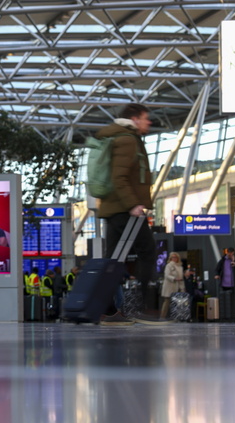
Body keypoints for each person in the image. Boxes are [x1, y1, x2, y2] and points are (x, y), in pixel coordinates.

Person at [95, 103, 155, 324]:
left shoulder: (118, 137)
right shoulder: (127, 139)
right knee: (148, 252)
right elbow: (118, 177)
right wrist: (133, 204)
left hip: (114, 208)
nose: (149, 122)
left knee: (112, 261)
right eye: (146, 118)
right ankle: (140, 307)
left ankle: (109, 311)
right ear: (135, 118)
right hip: (125, 209)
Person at [159, 253, 185, 319]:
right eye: (173, 257)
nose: (174, 258)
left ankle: (176, 317)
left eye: (175, 257)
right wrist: (175, 278)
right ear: (170, 258)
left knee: (177, 302)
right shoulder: (168, 265)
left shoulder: (180, 267)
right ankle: (162, 317)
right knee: (167, 301)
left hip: (177, 287)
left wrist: (182, 288)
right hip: (169, 287)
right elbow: (167, 275)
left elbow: (181, 278)